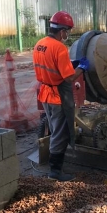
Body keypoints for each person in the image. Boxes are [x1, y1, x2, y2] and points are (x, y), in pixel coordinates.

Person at [33, 11, 89, 181]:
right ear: (62, 31)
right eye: (67, 31)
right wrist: (82, 68)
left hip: (45, 94)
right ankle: (55, 173)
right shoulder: (60, 48)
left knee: (54, 128)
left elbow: (51, 65)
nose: (67, 35)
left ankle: (54, 168)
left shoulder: (39, 44)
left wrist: (72, 64)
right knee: (61, 132)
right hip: (58, 97)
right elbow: (69, 77)